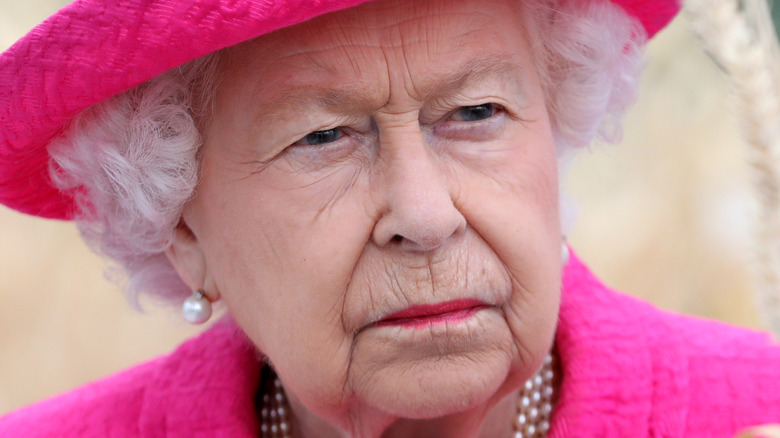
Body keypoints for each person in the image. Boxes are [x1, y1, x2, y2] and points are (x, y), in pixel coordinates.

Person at [0, 0, 779, 437]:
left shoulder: (755, 410)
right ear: (182, 230)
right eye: (323, 137)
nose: (425, 214)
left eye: (476, 112)